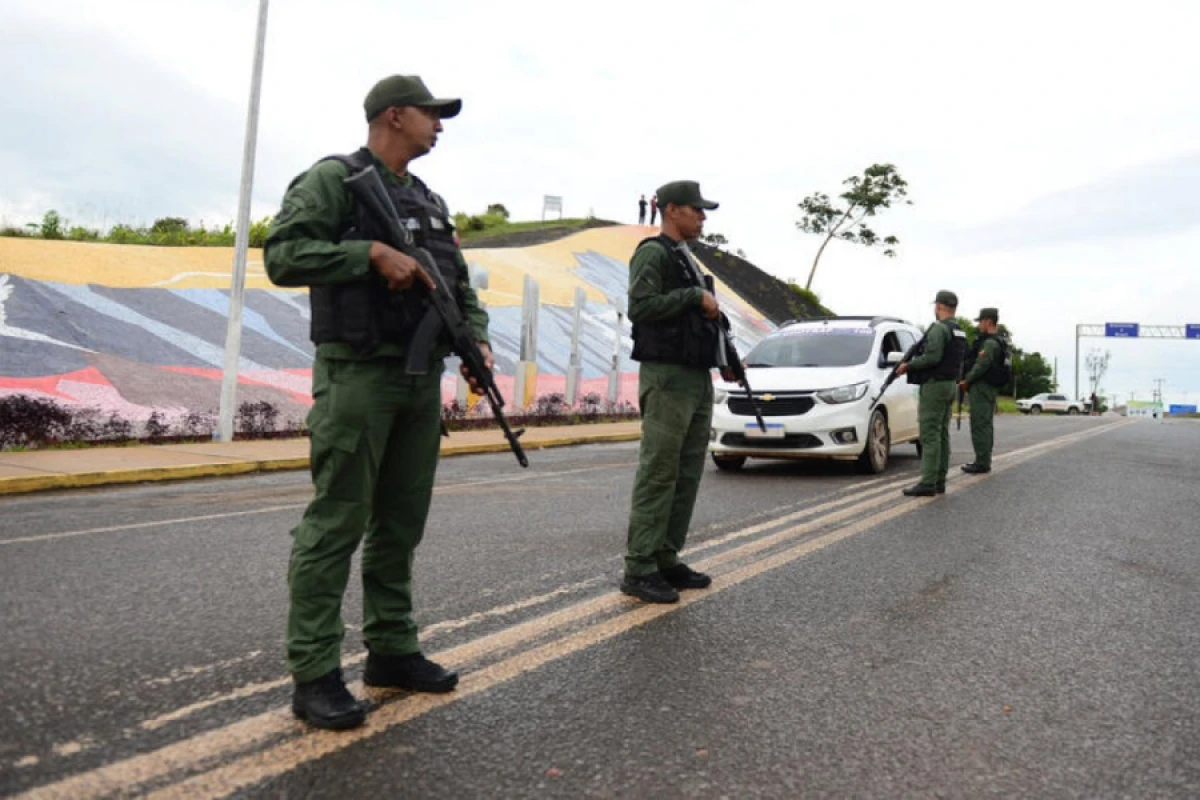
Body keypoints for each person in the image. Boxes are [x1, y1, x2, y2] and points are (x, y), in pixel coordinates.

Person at [263, 74, 492, 730]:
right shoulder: (333, 181)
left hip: (419, 380)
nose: (440, 124)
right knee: (337, 522)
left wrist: (474, 342)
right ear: (395, 116)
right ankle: (314, 673)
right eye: (432, 114)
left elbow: (456, 279)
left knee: (400, 523)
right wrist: (367, 253)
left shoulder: (427, 198)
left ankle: (391, 649)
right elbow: (281, 254)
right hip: (358, 376)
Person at [621, 180, 734, 604]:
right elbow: (641, 305)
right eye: (696, 210)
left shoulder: (685, 256)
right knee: (660, 470)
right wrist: (692, 296)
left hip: (694, 375)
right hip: (667, 375)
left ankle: (666, 556)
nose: (703, 217)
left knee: (686, 472)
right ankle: (639, 566)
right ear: (672, 210)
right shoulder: (653, 252)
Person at [896, 290, 968, 496]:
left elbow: (932, 358)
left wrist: (908, 366)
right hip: (950, 385)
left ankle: (928, 482)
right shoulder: (959, 331)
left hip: (935, 386)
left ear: (938, 307)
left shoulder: (939, 329)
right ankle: (939, 480)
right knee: (942, 434)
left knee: (929, 434)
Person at [959, 308, 1009, 474]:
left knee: (980, 424)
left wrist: (967, 380)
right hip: (988, 388)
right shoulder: (999, 341)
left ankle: (982, 462)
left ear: (988, 321)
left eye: (980, 321)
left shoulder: (989, 343)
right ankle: (983, 459)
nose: (979, 325)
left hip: (982, 387)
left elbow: (981, 365)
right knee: (985, 424)